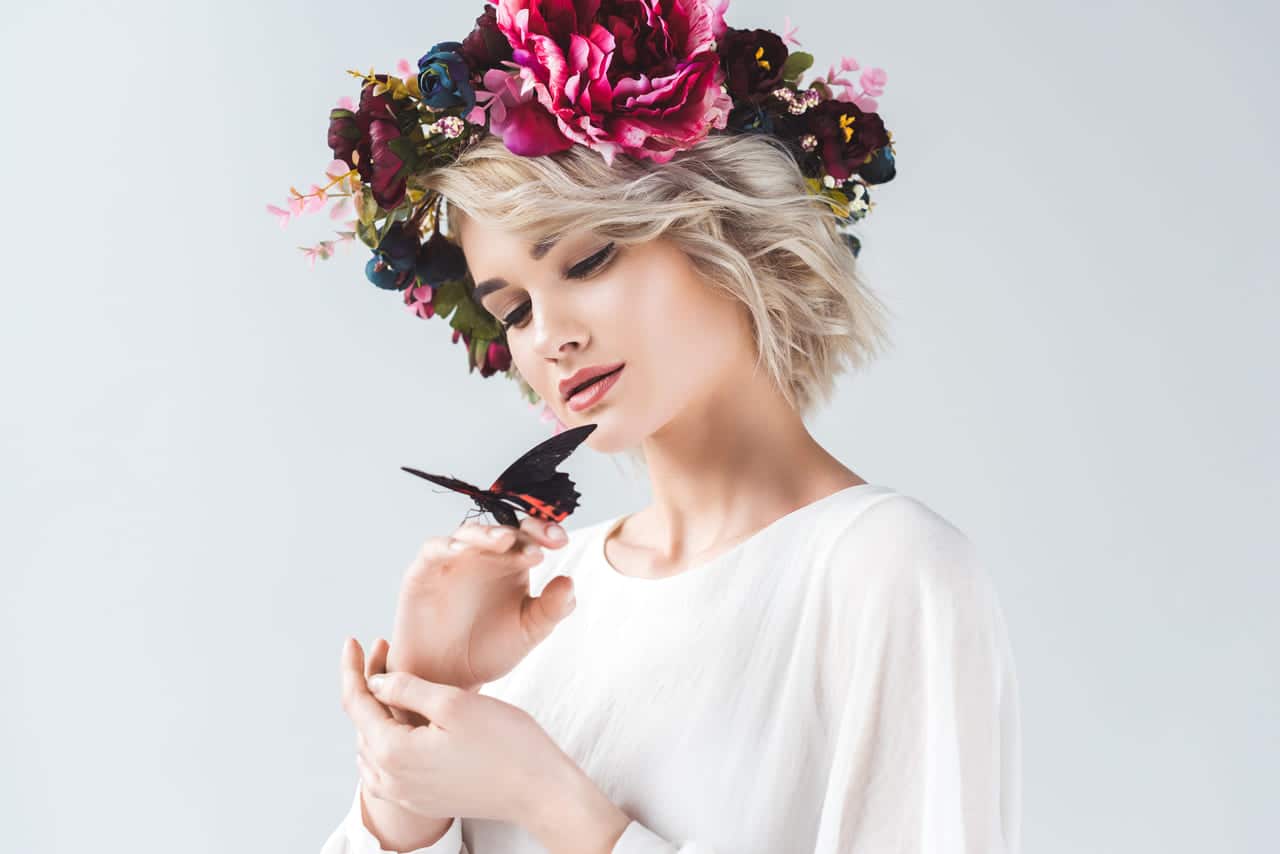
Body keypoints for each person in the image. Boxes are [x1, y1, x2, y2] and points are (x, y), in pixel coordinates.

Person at [288, 3, 1021, 852]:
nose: (550, 336)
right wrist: (417, 741)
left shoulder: (881, 570)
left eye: (590, 260)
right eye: (515, 311)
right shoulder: (536, 610)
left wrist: (552, 801)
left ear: (727, 235)